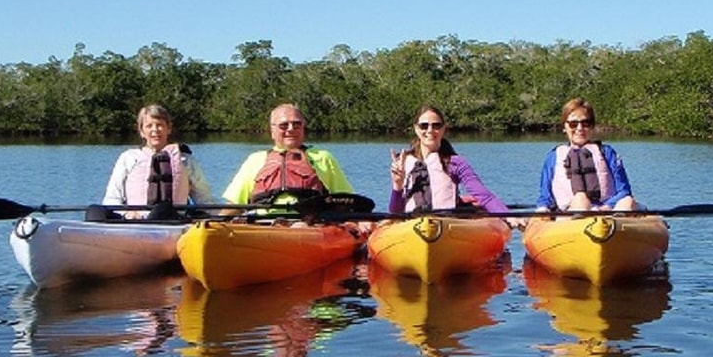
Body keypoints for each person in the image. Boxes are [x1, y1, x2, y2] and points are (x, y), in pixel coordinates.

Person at [222, 103, 355, 207]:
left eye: (297, 124)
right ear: (272, 130)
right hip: (264, 226)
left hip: (310, 224)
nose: (291, 129)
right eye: (284, 125)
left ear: (303, 128)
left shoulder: (323, 157)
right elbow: (235, 204)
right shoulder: (255, 160)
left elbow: (345, 199)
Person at [98, 104, 216, 219]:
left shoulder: (185, 160)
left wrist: (220, 216)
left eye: (160, 125)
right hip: (135, 220)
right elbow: (112, 198)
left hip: (172, 219)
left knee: (162, 210)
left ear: (168, 129)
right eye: (149, 126)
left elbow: (204, 199)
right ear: (141, 131)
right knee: (95, 211)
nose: (155, 130)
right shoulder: (128, 158)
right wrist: (126, 214)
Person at [388, 105, 510, 214]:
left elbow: (484, 196)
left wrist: (509, 217)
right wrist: (397, 185)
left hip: (446, 224)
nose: (430, 130)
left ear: (443, 128)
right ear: (416, 129)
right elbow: (395, 212)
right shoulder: (403, 162)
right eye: (424, 126)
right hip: (411, 226)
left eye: (436, 125)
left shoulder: (455, 162)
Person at [535, 98, 638, 211]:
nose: (580, 129)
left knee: (628, 201)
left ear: (592, 126)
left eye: (585, 123)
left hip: (605, 212)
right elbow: (545, 196)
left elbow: (623, 191)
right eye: (573, 124)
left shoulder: (607, 153)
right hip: (569, 214)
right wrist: (542, 209)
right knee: (581, 200)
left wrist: (604, 208)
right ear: (564, 127)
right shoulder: (553, 157)